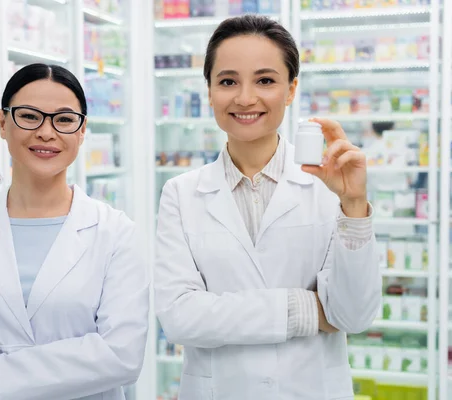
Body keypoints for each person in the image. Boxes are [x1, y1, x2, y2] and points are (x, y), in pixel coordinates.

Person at [154, 15, 381, 399]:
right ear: (208, 90)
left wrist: (354, 204)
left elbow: (352, 315)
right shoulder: (181, 193)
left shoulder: (328, 188)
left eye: (265, 80)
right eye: (227, 81)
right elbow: (179, 319)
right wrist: (304, 309)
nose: (245, 98)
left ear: (291, 90)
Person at [0, 63, 149, 400]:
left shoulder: (114, 231)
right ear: (3, 123)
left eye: (63, 119)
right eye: (30, 116)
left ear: (82, 130)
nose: (46, 133)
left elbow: (122, 356)